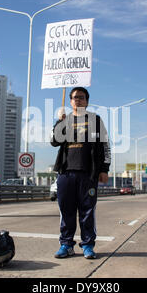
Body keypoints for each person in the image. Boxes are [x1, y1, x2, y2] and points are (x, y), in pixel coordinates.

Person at [50, 87, 110, 259]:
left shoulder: (95, 120)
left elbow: (105, 146)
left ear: (87, 101)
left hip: (87, 174)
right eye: (75, 97)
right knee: (66, 211)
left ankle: (88, 245)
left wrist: (104, 169)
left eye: (81, 97)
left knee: (87, 211)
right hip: (65, 173)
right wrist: (58, 122)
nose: (78, 100)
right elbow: (53, 141)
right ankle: (66, 244)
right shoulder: (65, 120)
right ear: (70, 101)